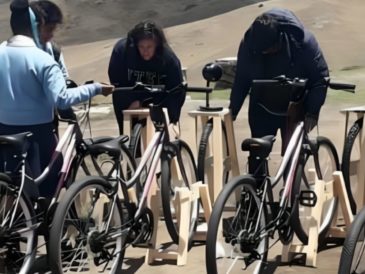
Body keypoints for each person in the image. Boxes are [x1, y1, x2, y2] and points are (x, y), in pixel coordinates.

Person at [0, 0, 114, 197]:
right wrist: (95, 88)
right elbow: (61, 98)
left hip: (5, 131)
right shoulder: (43, 60)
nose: (51, 35)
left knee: (13, 188)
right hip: (38, 135)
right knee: (47, 187)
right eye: (49, 28)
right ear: (36, 26)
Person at [229, 8, 329, 148]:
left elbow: (320, 79)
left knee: (294, 156)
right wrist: (232, 111)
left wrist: (312, 111)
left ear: (280, 38)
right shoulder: (249, 45)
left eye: (270, 49)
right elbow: (242, 79)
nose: (267, 53)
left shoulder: (304, 42)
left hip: (294, 104)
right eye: (263, 52)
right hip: (261, 103)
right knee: (257, 153)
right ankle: (256, 168)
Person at [108, 20, 185, 135]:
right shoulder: (122, 51)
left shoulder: (168, 59)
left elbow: (176, 89)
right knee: (128, 140)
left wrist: (173, 119)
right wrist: (129, 101)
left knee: (160, 139)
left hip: (159, 99)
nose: (145, 51)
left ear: (157, 45)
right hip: (129, 98)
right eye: (141, 47)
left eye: (149, 47)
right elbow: (116, 81)